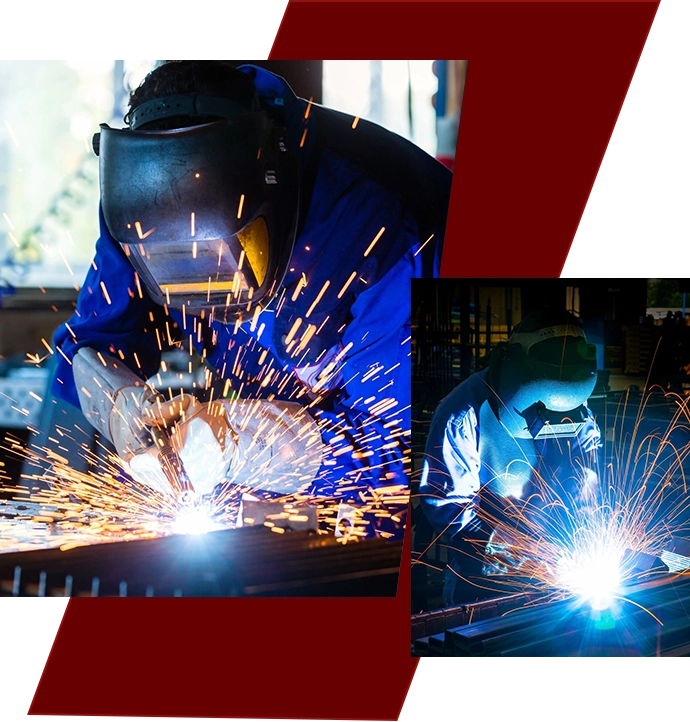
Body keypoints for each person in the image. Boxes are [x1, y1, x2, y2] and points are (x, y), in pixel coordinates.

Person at [50, 59, 451, 532]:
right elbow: (91, 343)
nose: (208, 299)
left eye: (221, 260)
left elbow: (403, 451)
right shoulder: (135, 206)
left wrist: (242, 442)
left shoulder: (384, 228)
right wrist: (122, 408)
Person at [417, 310, 602, 603]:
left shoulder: (574, 403)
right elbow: (447, 507)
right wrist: (515, 547)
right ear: (515, 366)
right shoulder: (461, 413)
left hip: (558, 577)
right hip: (482, 580)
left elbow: (586, 474)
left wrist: (585, 522)